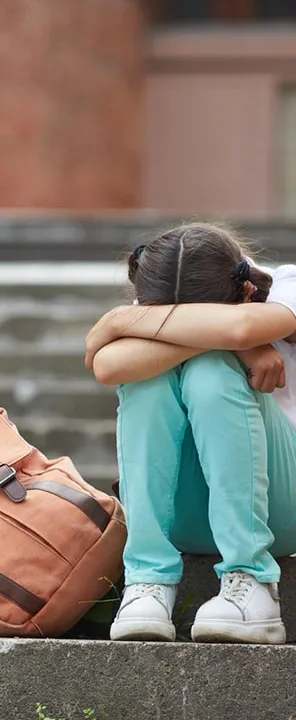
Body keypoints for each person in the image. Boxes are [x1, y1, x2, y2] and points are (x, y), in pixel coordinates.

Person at [85, 222, 296, 645]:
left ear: (247, 294)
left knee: (210, 370)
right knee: (146, 378)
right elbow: (109, 367)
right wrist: (236, 341)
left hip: (281, 508)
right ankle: (148, 582)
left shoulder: (286, 285)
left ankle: (252, 579)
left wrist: (124, 321)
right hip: (183, 517)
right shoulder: (183, 291)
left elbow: (237, 330)